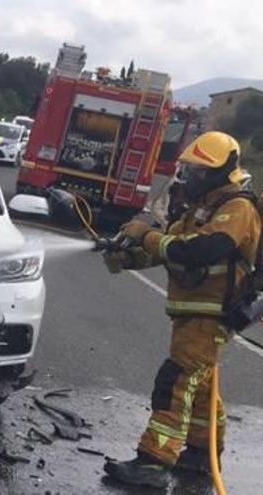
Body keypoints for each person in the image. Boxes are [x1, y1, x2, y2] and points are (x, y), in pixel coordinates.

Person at [102, 131, 262, 488]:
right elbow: (169, 247)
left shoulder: (238, 208)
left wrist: (145, 235)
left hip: (213, 314)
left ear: (225, 170)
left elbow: (199, 251)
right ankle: (201, 457)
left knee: (175, 381)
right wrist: (125, 257)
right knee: (200, 388)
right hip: (194, 313)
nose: (191, 178)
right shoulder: (200, 208)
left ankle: (153, 463)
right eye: (189, 170)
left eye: (199, 171)